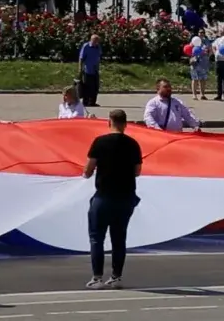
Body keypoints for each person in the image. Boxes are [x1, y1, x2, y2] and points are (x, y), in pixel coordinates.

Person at [83, 109, 143, 290]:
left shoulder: (100, 142)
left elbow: (88, 170)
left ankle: (97, 277)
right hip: (125, 197)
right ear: (125, 123)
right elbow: (137, 171)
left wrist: (88, 173)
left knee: (96, 238)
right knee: (119, 238)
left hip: (104, 196)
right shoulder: (133, 144)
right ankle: (116, 276)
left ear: (109, 122)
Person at [79, 34, 102, 107]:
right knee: (87, 86)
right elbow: (81, 58)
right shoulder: (86, 46)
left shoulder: (98, 47)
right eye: (94, 41)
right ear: (91, 40)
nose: (96, 43)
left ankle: (92, 102)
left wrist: (98, 67)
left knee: (95, 87)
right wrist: (80, 68)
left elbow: (98, 57)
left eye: (97, 41)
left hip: (95, 70)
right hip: (87, 69)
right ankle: (85, 102)